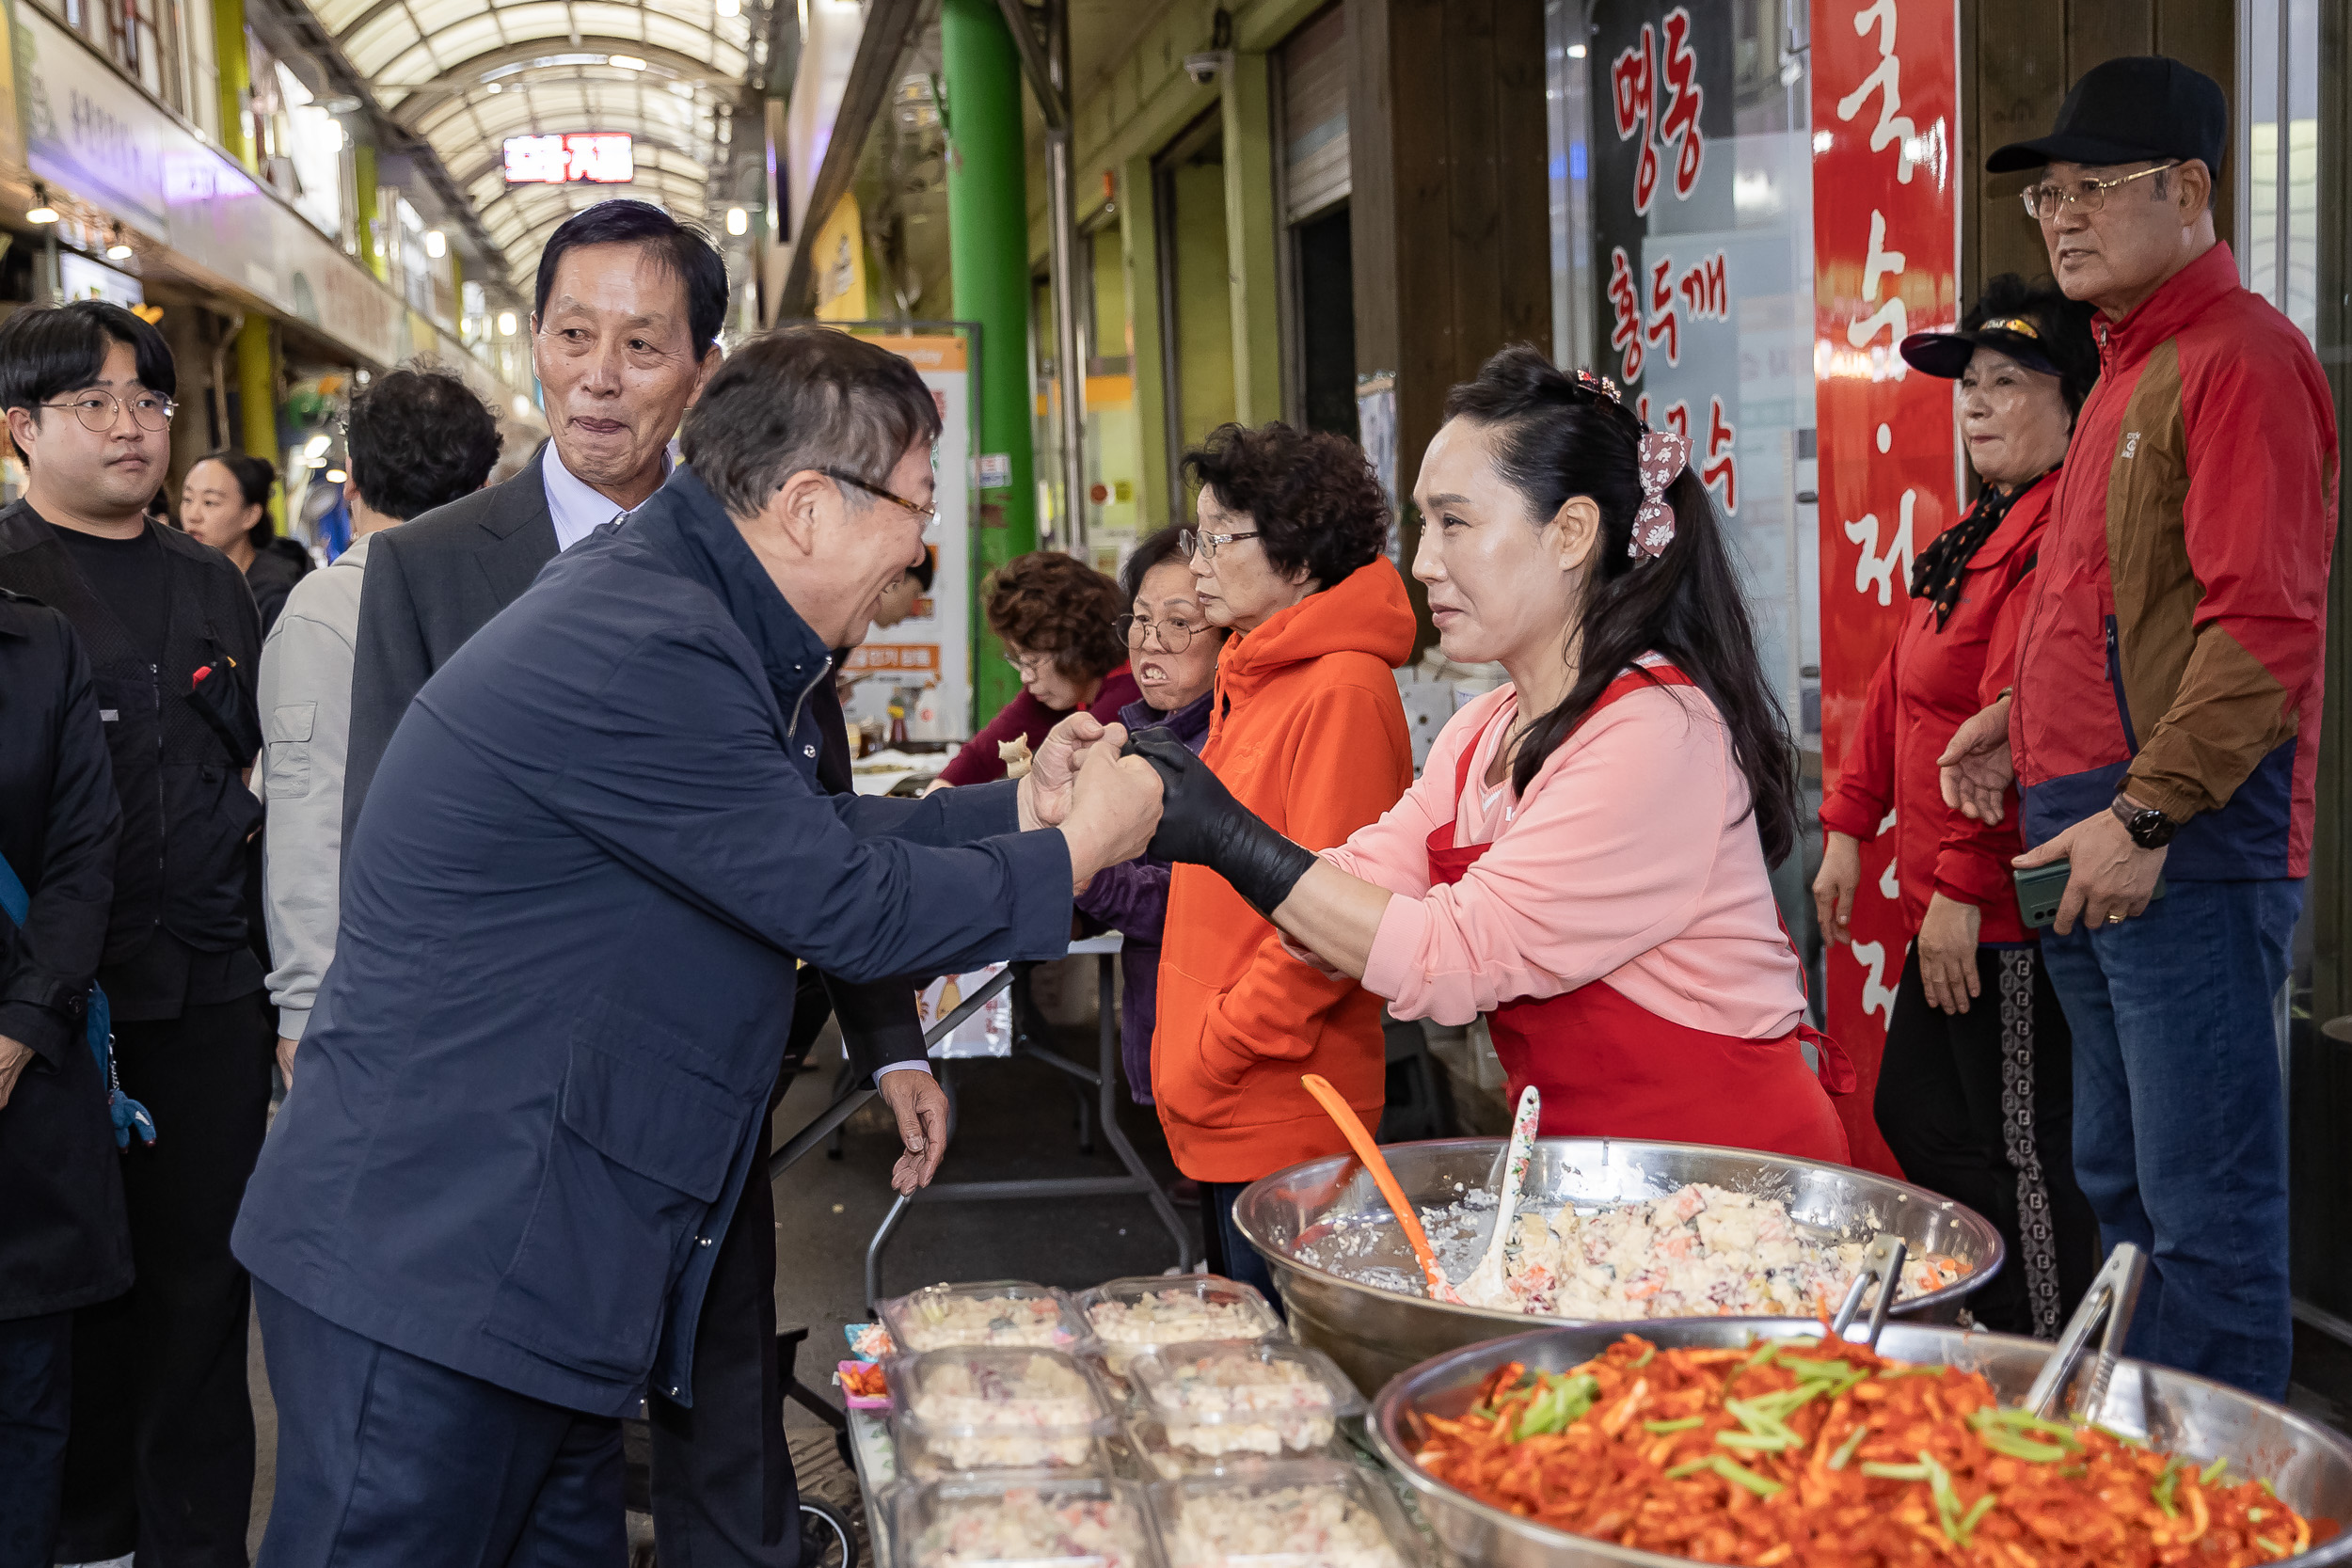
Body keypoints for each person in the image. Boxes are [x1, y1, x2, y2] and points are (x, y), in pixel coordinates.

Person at [231, 325, 1165, 1564]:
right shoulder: (648, 642)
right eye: (913, 515)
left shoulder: (688, 610)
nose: (918, 555)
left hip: (537, 1261)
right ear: (808, 507)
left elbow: (800, 833)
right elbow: (843, 901)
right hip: (440, 1261)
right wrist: (1079, 851)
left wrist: (1020, 806)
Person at [1130, 350, 1851, 1172]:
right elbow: (1358, 879)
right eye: (1424, 526)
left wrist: (1228, 836)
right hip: (1587, 1170)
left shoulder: (1659, 733)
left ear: (1572, 532)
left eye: (1455, 523)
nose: (1424, 561)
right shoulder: (1484, 730)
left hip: (1727, 1172)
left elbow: (1454, 956)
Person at [1939, 56, 2338, 1398]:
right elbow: (2117, 602)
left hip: (2177, 838)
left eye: (2091, 188)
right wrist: (2014, 715)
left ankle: (2229, 1511)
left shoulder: (2244, 360)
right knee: (2120, 1179)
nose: (2059, 216)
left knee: (2205, 1210)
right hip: (2082, 822)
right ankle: (2148, 1482)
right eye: (2047, 194)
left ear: (2190, 189)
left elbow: (2263, 630)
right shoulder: (2124, 364)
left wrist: (2147, 810)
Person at [0, 301, 272, 1566]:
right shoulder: (7, 591)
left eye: (150, 401)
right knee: (68, 1308)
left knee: (204, 1298)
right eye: (94, 402)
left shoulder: (216, 584)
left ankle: (196, 1550)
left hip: (209, 995)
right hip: (51, 1019)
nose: (130, 424)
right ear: (19, 427)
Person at [1813, 277, 2102, 1339]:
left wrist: (1961, 890)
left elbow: (2014, 737)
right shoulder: (1982, 527)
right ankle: (1999, 1327)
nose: (1975, 405)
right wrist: (1847, 827)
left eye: (2007, 383)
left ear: (2075, 398)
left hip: (2009, 911)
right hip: (1949, 899)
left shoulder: (2055, 537)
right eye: (1968, 385)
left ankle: (2049, 1365)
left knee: (2021, 1148)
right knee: (1920, 1119)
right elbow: (1900, 688)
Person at [342, 198, 724, 837]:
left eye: (641, 344)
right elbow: (384, 842)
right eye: (573, 335)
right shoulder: (422, 569)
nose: (599, 377)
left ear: (699, 377)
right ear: (536, 344)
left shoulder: (750, 558)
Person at [1145, 421, 1416, 1298]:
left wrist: (1220, 1048)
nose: (1199, 564)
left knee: (1290, 1385)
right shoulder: (1254, 671)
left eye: (1222, 537)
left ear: (1299, 562)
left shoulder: (1342, 688)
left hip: (1281, 1100)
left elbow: (1334, 921)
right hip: (1228, 1096)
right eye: (1198, 536)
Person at [258, 365, 504, 1088]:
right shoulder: (530, 589)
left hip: (387, 987)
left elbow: (310, 814)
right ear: (487, 483)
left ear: (355, 479)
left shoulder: (326, 606)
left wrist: (305, 1006)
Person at [0, 589, 126, 1568]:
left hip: (23, 1079)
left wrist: (24, 1024)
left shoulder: (39, 643)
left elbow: (85, 849)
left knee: (25, 1398)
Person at [1074, 526, 1230, 1102]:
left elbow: (1195, 904)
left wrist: (1079, 863)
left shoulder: (1228, 747)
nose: (1151, 642)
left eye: (1179, 620)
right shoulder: (1139, 733)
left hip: (1222, 1053)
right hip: (1167, 1036)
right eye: (1141, 619)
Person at [934, 550, 1139, 784]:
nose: (1025, 676)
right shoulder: (1058, 692)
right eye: (1020, 660)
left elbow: (1056, 783)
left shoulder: (1127, 695)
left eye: (1032, 662)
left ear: (1075, 645)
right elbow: (984, 756)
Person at [182, 451, 305, 632]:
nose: (192, 515)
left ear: (250, 515)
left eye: (210, 502)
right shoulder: (184, 585)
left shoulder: (276, 599)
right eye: (187, 499)